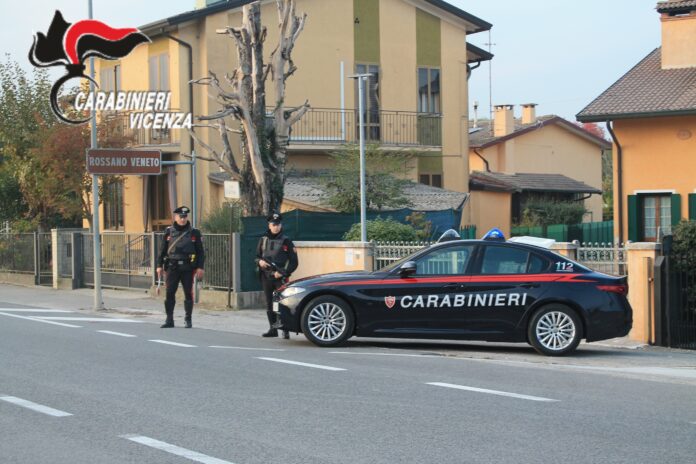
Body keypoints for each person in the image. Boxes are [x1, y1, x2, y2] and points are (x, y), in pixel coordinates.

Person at [156, 206, 205, 329]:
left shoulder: (194, 232)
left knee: (188, 293)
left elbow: (200, 252)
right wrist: (159, 266)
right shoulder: (168, 231)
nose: (183, 219)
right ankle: (169, 319)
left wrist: (200, 267)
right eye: (181, 217)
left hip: (188, 267)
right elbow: (162, 250)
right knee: (169, 293)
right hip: (172, 267)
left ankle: (188, 319)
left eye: (185, 217)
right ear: (176, 217)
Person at [256, 212, 298, 339]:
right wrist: (260, 262)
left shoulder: (286, 241)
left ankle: (286, 329)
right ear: (269, 225)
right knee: (269, 303)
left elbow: (294, 262)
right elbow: (256, 257)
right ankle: (273, 329)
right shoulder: (263, 240)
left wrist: (283, 273)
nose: (276, 227)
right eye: (274, 224)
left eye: (278, 224)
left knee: (283, 303)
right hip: (266, 277)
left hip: (280, 277)